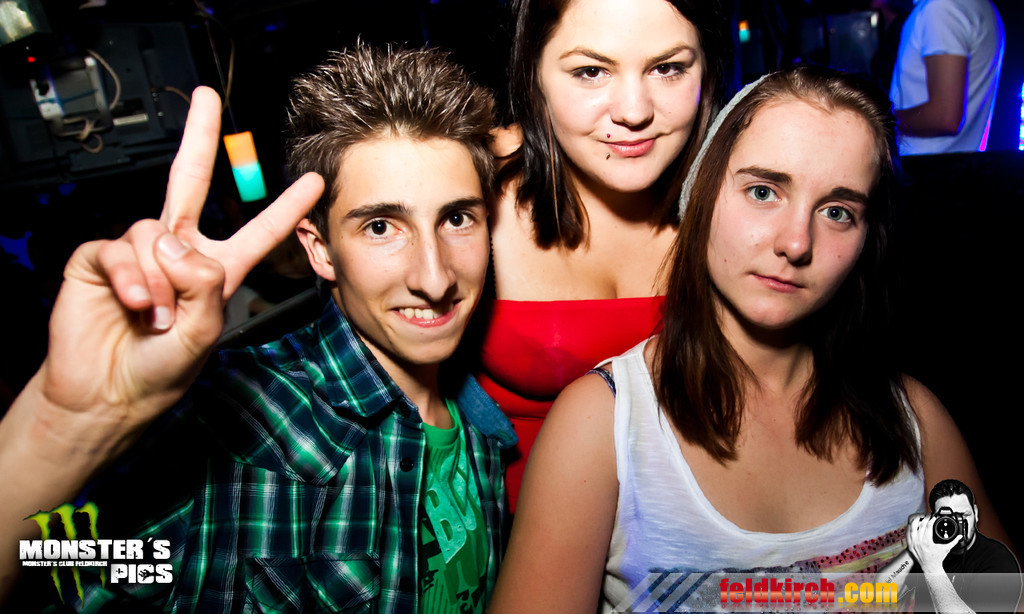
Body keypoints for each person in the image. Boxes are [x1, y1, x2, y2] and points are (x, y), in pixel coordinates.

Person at [0, 44, 515, 612]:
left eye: (457, 218)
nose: (435, 277)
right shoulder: (241, 425)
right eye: (380, 227)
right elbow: (47, 573)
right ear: (320, 250)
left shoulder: (483, 428)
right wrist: (61, 429)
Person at [488, 65, 1011, 613]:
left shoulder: (916, 421)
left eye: (837, 212)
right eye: (763, 192)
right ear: (701, 194)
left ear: (866, 241)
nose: (796, 242)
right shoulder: (601, 425)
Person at [475, 0, 731, 511]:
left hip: (697, 535)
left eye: (667, 68)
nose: (634, 111)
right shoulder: (466, 177)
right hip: (500, 535)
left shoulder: (749, 192)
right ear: (533, 73)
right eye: (591, 71)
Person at [878, 479, 1022, 612]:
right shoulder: (927, 552)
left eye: (963, 515)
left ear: (976, 513)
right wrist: (914, 549)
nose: (956, 524)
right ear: (934, 520)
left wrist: (932, 568)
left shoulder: (998, 559)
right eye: (947, 519)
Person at [889, 0, 1005, 155]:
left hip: (925, 164)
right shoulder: (977, 5)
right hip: (957, 163)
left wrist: (880, 119)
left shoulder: (941, 8)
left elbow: (944, 118)